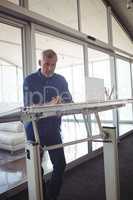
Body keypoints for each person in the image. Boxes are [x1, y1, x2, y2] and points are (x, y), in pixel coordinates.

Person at [23, 49, 72, 200]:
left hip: (53, 129)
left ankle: (51, 196)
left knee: (60, 164)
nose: (50, 68)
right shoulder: (29, 80)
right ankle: (41, 195)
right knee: (37, 168)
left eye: (53, 65)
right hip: (34, 130)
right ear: (40, 63)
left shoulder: (61, 80)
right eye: (46, 64)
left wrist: (62, 104)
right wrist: (50, 104)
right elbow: (28, 107)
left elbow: (70, 101)